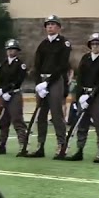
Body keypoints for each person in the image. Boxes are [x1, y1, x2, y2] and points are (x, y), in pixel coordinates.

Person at [28, 15, 71, 158]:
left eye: (53, 24)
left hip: (55, 80)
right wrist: (39, 83)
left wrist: (48, 83)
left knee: (56, 113)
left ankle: (62, 145)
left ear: (59, 27)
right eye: (48, 25)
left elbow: (62, 65)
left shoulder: (64, 43)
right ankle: (40, 145)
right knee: (41, 114)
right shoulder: (43, 44)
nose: (50, 27)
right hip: (42, 81)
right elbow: (37, 65)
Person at [64, 32, 99, 161]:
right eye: (93, 44)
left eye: (98, 44)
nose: (95, 46)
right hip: (83, 94)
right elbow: (80, 78)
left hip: (96, 95)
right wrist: (78, 97)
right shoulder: (85, 58)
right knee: (82, 123)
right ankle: (79, 149)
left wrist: (91, 96)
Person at [0, 38, 28, 155]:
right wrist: (0, 90)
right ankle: (2, 145)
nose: (11, 52)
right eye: (9, 49)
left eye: (13, 49)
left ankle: (23, 146)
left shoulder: (21, 65)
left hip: (14, 94)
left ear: (17, 51)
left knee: (17, 120)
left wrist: (6, 91)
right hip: (4, 95)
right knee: (3, 121)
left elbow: (18, 81)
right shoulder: (4, 64)